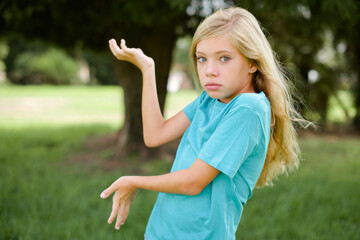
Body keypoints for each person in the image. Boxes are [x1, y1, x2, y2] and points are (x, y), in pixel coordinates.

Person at [100, 7, 310, 240]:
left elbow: (193, 182)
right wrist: (148, 69)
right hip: (162, 231)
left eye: (224, 58)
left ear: (253, 63)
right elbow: (154, 135)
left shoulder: (249, 109)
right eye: (202, 59)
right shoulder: (209, 100)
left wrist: (135, 181)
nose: (209, 71)